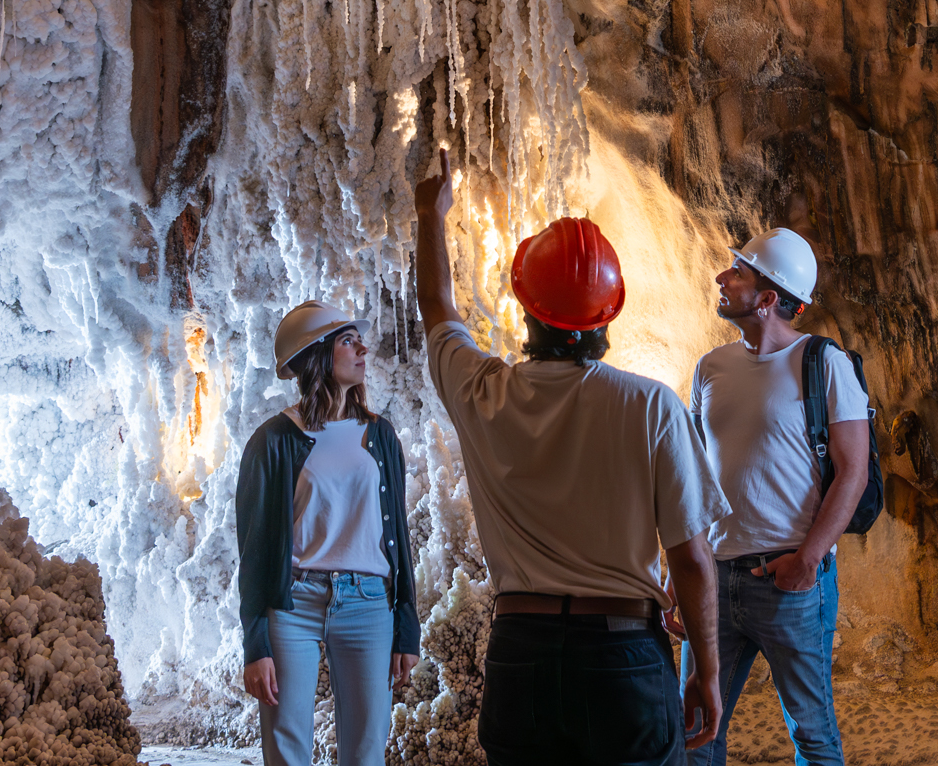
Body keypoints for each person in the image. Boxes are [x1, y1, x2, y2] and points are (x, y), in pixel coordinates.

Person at [412, 152, 729, 766]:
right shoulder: (651, 406)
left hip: (520, 653)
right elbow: (691, 558)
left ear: (525, 309)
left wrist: (430, 213)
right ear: (608, 315)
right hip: (624, 656)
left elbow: (437, 309)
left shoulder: (482, 392)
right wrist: (707, 674)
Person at [680, 227, 874, 766]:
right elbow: (693, 476)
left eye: (736, 272)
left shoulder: (825, 364)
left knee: (812, 735)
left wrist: (808, 561)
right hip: (714, 580)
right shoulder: (709, 368)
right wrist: (682, 569)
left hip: (789, 582)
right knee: (693, 730)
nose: (722, 277)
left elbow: (852, 472)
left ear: (768, 299)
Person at [233, 300, 422, 766]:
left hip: (368, 602)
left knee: (365, 751)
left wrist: (406, 625)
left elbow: (397, 534)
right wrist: (255, 644)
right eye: (347, 340)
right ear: (318, 356)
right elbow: (255, 552)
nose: (362, 348)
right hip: (293, 603)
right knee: (287, 747)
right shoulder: (272, 441)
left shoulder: (381, 437)